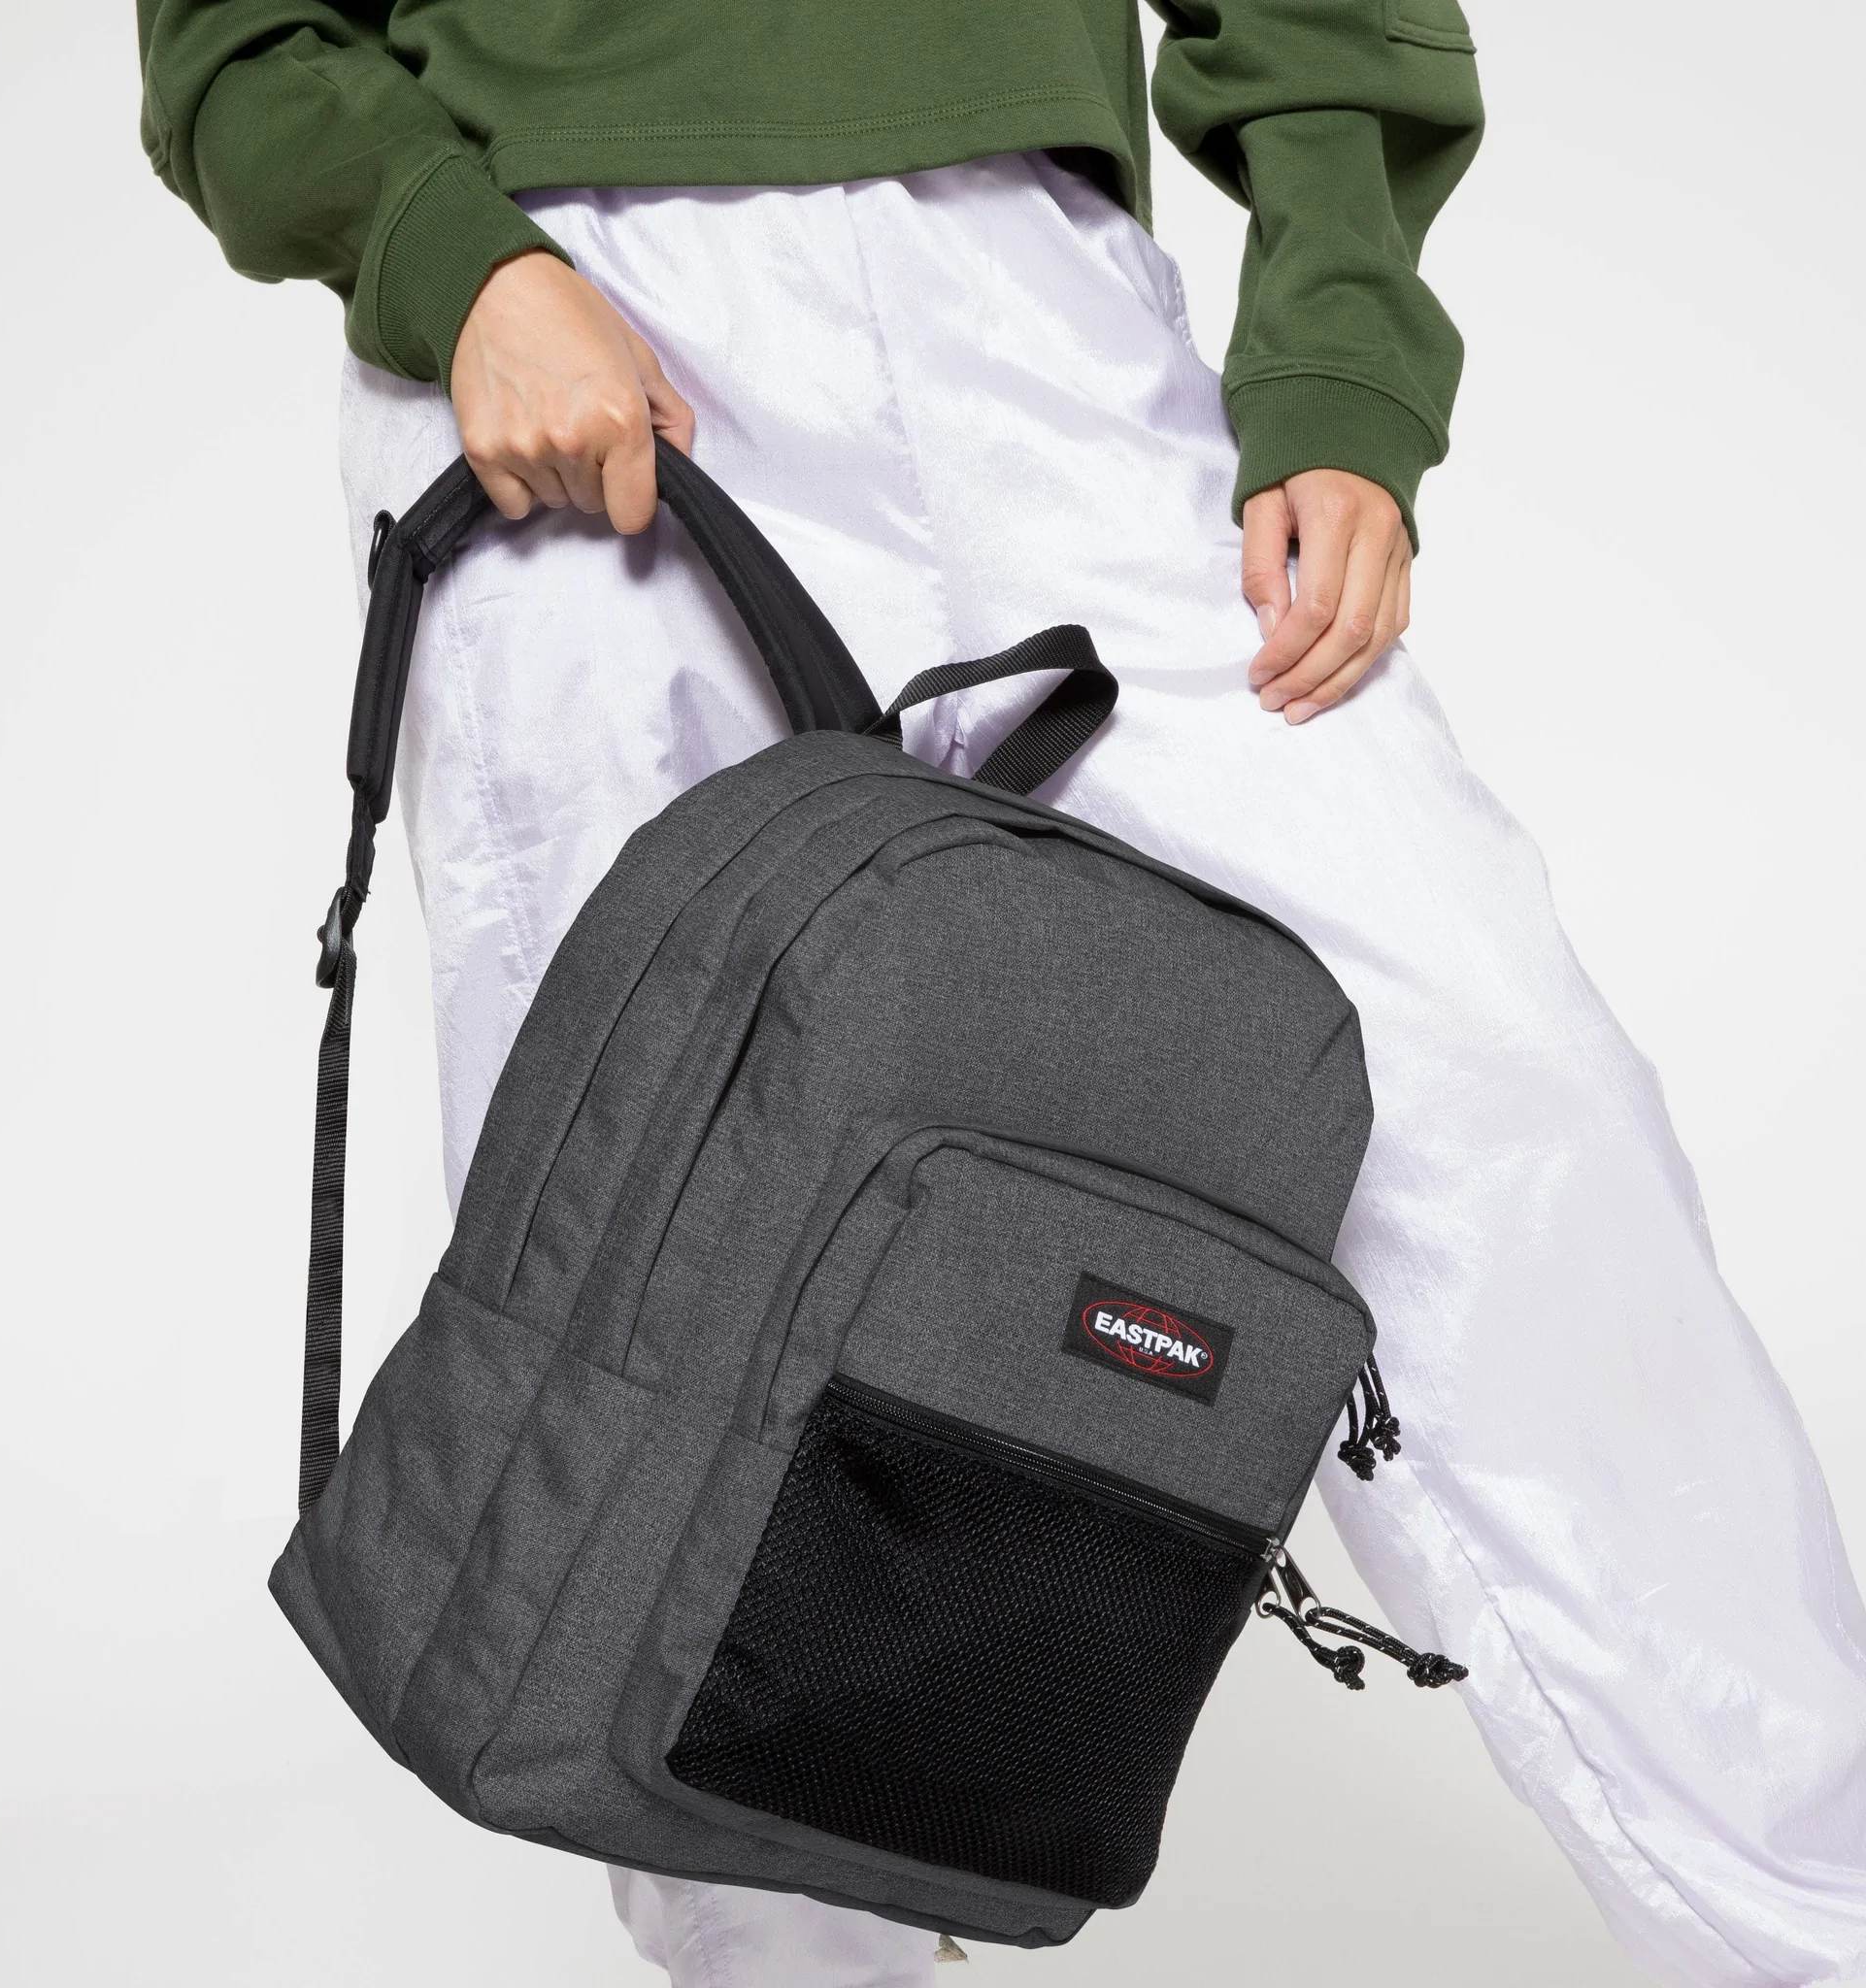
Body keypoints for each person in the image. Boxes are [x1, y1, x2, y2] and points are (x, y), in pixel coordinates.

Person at [137, 5, 1866, 1984]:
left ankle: (1818, 1916)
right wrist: (454, 261)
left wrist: (1336, 362)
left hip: (1030, 302)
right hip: (562, 315)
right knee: (670, 1250)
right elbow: (232, 32)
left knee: (1495, 1094)